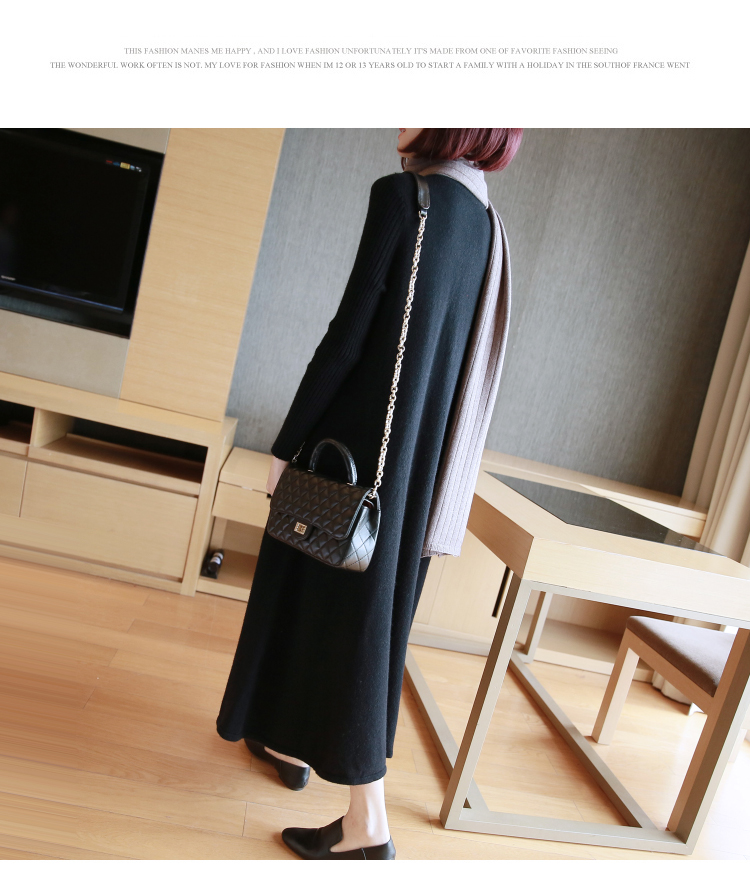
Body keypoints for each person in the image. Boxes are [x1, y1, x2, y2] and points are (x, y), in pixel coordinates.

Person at [216, 128, 523, 859]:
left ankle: (367, 824)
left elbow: (347, 337)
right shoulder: (487, 227)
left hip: (350, 459)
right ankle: (287, 743)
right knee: (364, 618)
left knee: (343, 621)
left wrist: (286, 444)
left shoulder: (406, 199)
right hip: (414, 475)